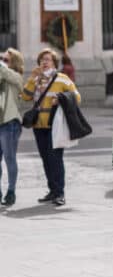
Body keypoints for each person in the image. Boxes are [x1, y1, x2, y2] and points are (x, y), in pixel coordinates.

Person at [21, 48, 80, 207]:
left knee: (55, 158)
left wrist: (60, 98)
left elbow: (76, 97)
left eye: (47, 59)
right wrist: (32, 78)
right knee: (46, 159)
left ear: (54, 62)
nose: (44, 62)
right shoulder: (37, 79)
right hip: (38, 126)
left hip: (55, 125)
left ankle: (60, 193)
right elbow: (25, 96)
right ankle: (52, 190)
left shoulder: (62, 78)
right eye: (42, 60)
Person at [0, 48, 24, 207]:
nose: (3, 61)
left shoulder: (17, 77)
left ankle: (11, 191)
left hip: (10, 124)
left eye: (6, 59)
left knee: (10, 159)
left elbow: (8, 74)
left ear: (13, 62)